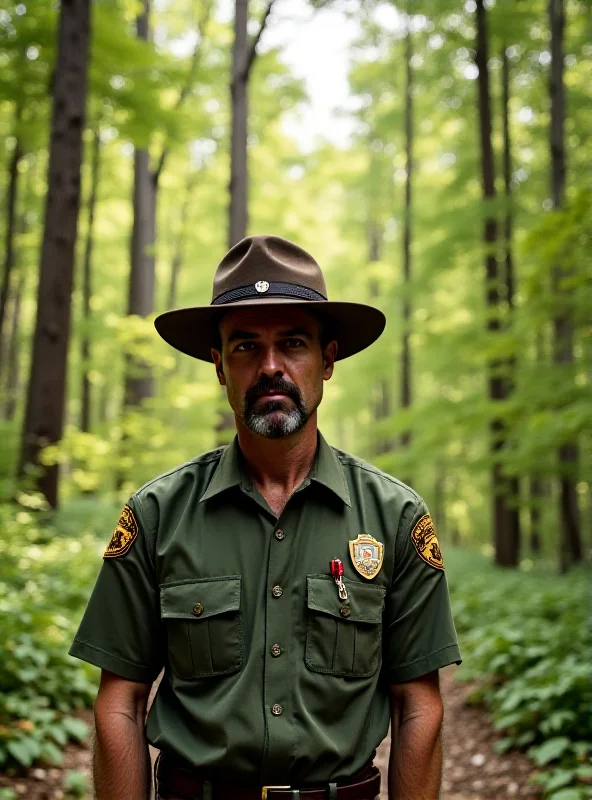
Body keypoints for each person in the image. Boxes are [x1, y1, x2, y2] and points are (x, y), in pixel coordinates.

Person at [70, 234, 461, 800]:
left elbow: (418, 704)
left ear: (327, 360)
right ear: (219, 366)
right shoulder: (157, 514)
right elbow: (120, 699)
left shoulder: (395, 518)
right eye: (246, 346)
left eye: (294, 344)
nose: (271, 366)